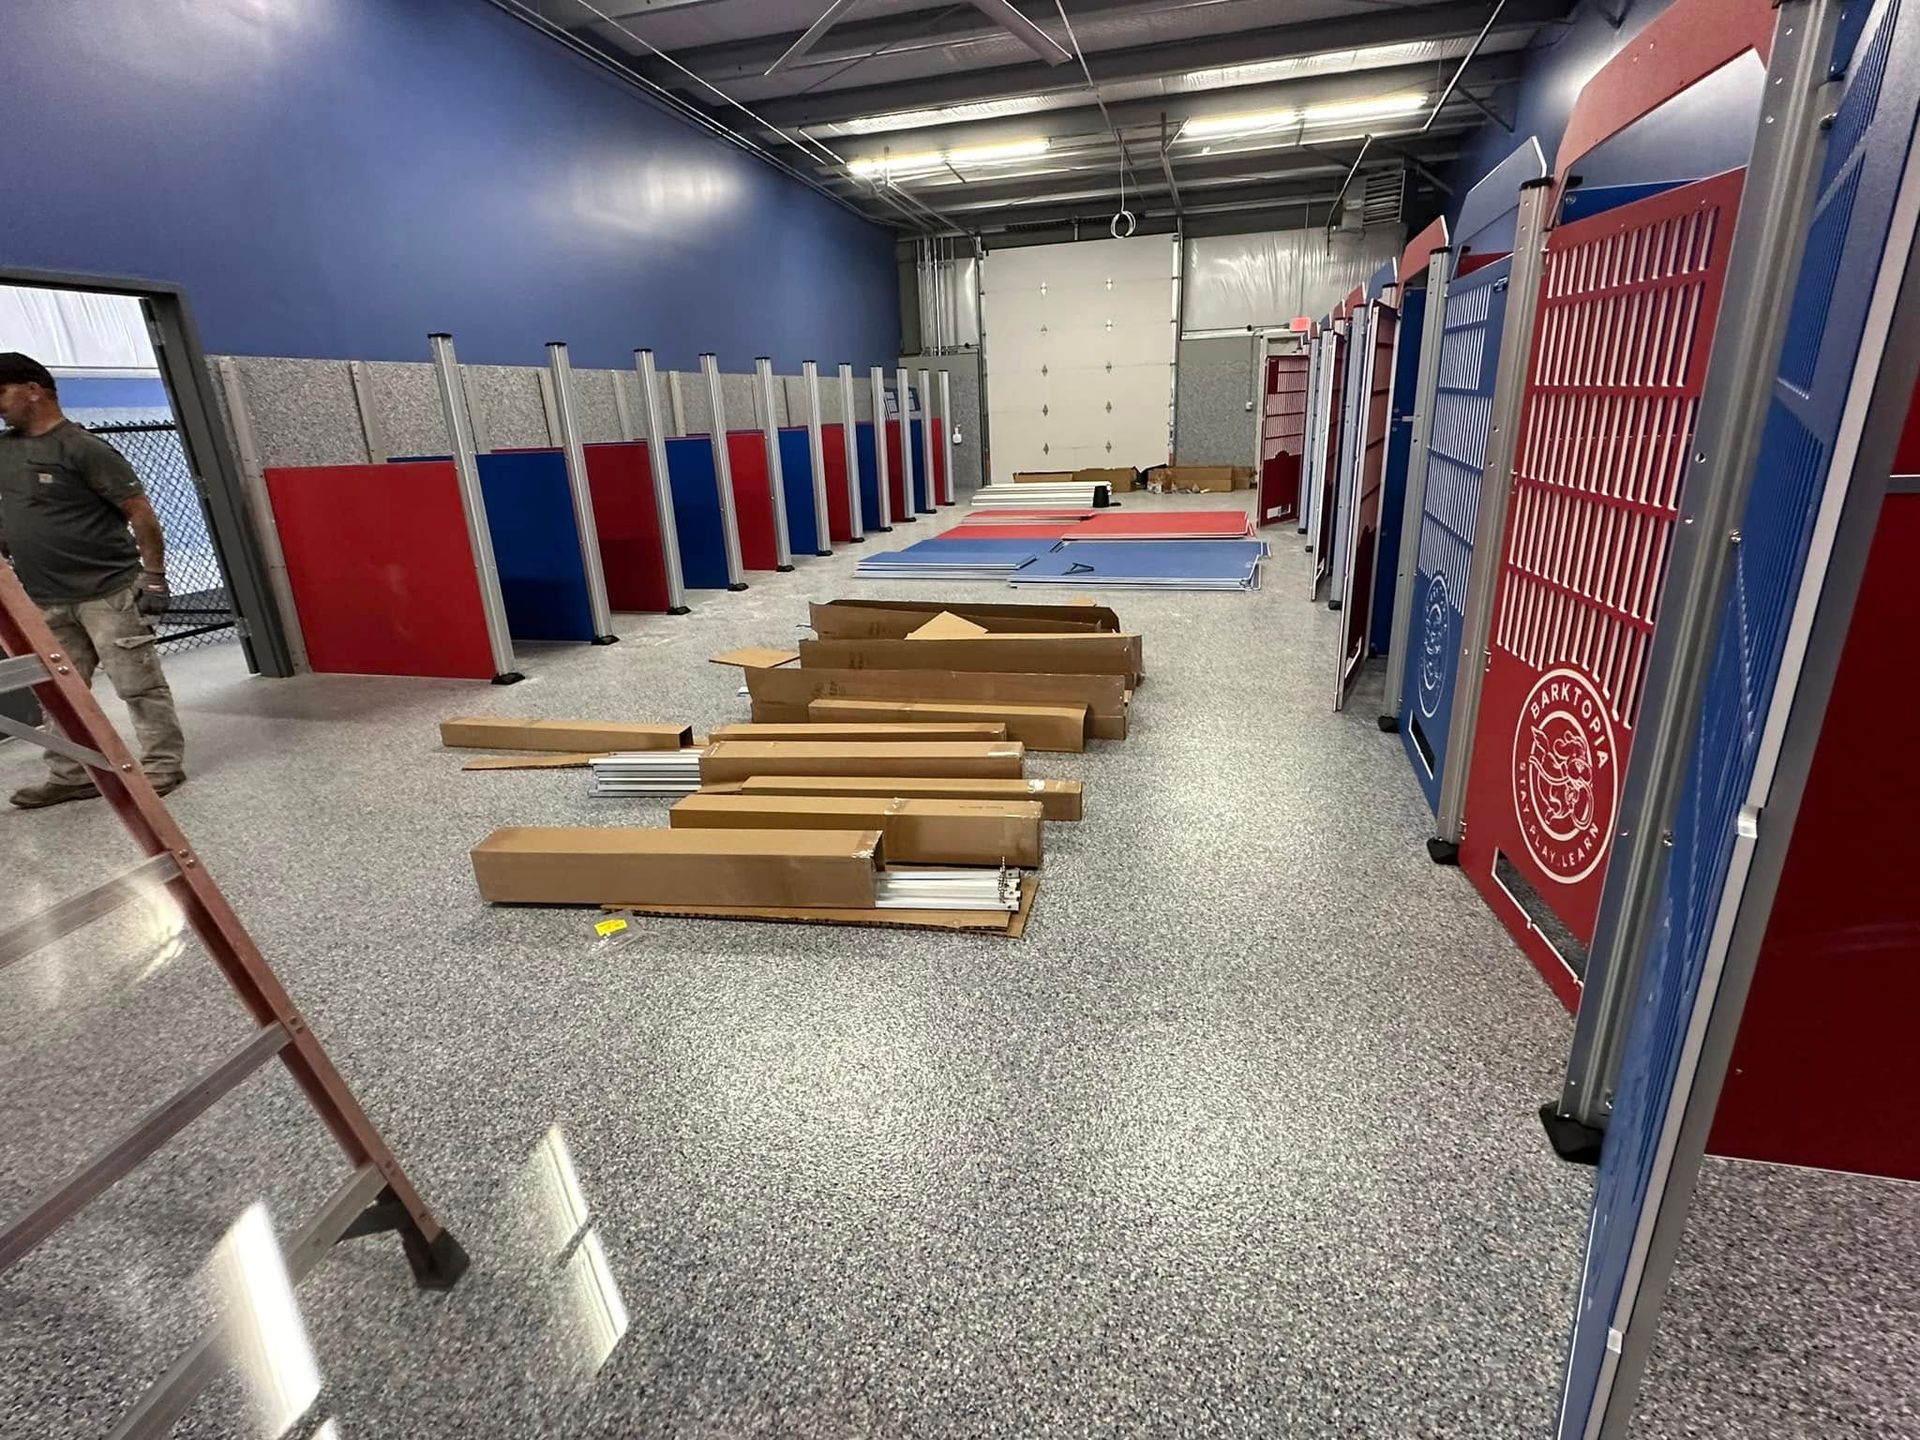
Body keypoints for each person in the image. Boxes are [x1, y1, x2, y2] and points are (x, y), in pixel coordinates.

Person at [0, 351, 185, 807]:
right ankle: (71, 773)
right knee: (59, 693)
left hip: (109, 592)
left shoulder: (83, 448)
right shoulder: (4, 450)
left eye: (0, 393)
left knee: (137, 684)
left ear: (33, 389)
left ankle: (163, 765)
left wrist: (155, 577)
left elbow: (140, 513)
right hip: (44, 597)